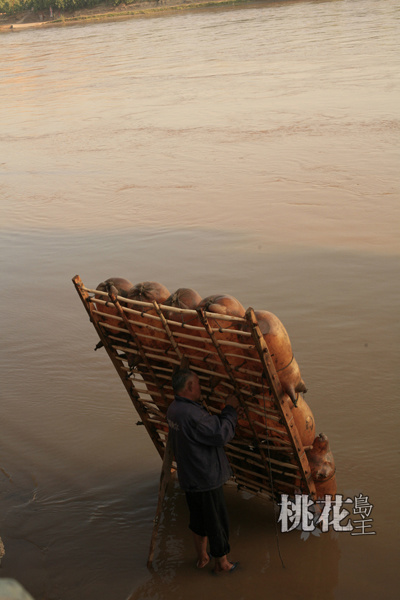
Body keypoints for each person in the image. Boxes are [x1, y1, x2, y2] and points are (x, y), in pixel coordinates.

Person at [166, 368, 240, 573]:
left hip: (189, 477)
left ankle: (202, 558)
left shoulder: (173, 409)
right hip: (206, 476)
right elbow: (221, 433)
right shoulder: (193, 414)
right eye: (198, 384)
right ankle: (222, 564)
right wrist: (230, 410)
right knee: (216, 521)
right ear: (189, 386)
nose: (200, 388)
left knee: (198, 521)